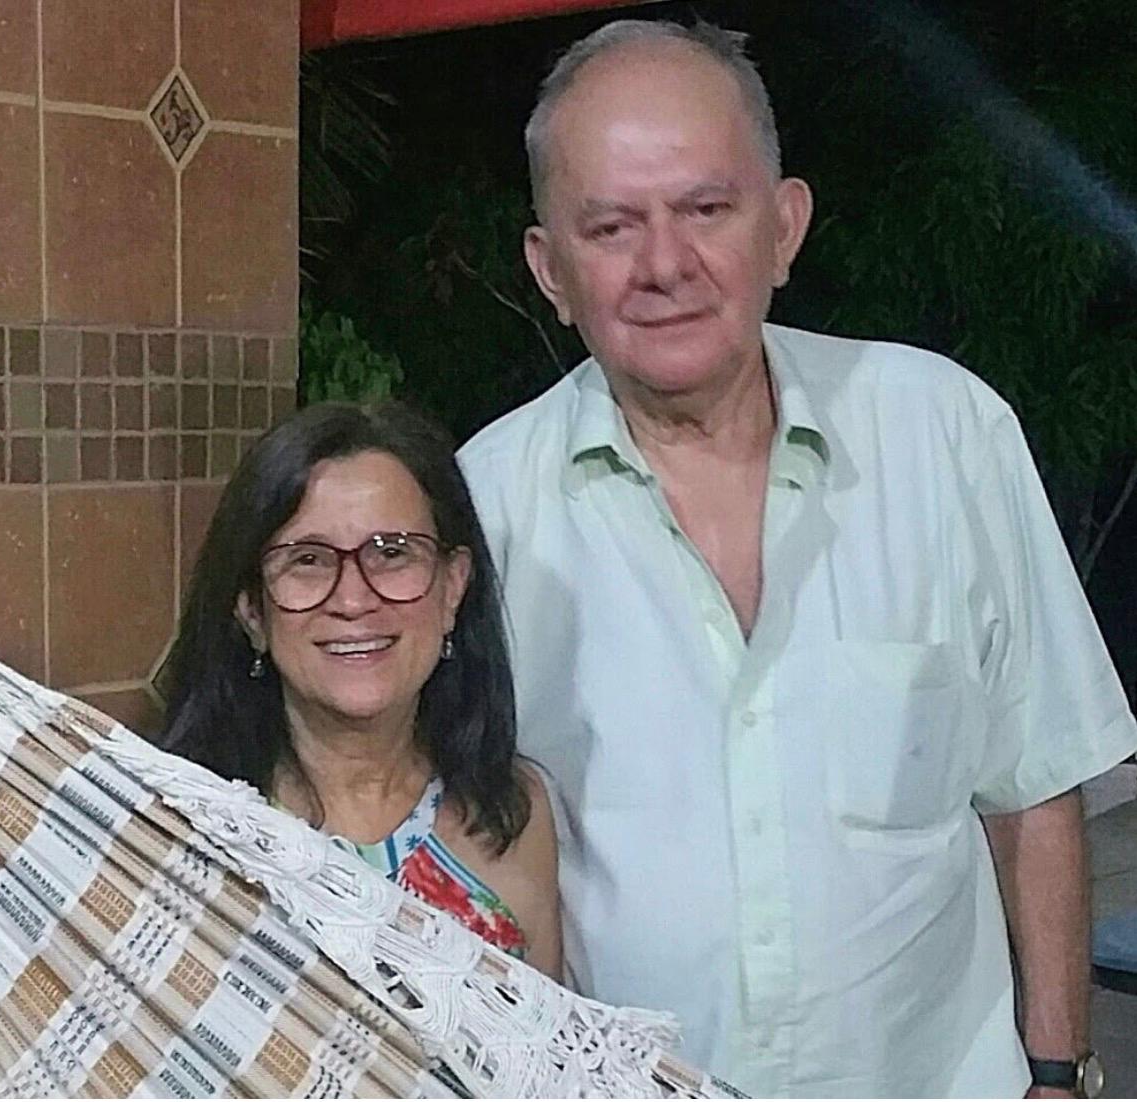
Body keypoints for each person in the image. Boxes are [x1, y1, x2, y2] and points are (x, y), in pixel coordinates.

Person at [457, 18, 1137, 1098]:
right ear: (550, 269)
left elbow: (1036, 788)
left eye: (706, 210)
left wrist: (1058, 1074)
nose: (664, 265)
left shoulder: (943, 433)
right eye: (612, 226)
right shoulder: (485, 506)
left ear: (783, 227)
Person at [161, 400, 562, 979]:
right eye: (308, 560)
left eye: (392, 553)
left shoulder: (513, 811)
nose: (353, 600)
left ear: (453, 587)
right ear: (251, 609)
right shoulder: (181, 825)